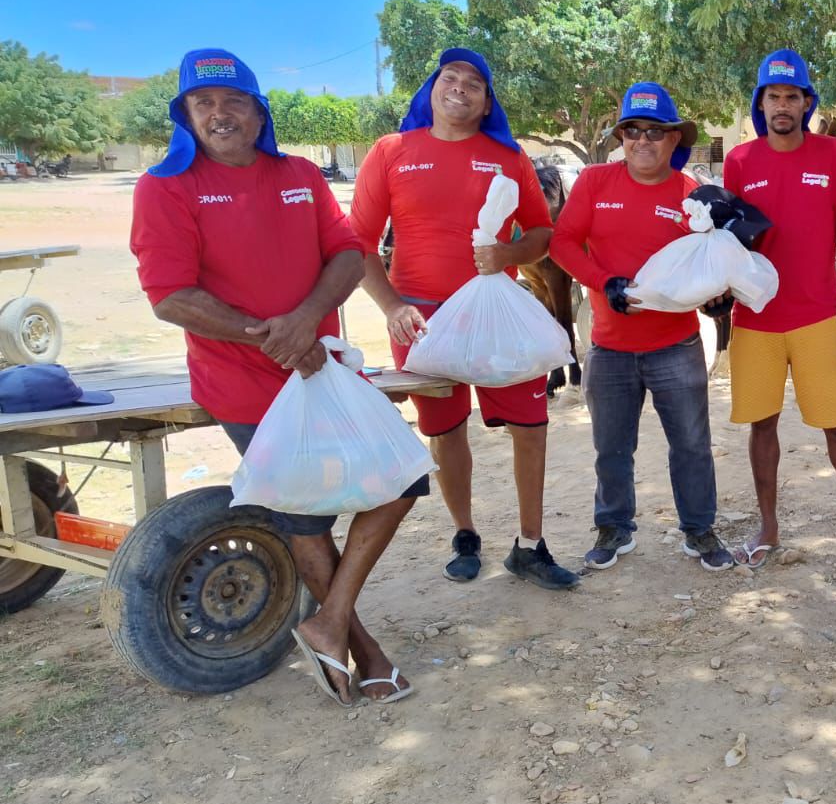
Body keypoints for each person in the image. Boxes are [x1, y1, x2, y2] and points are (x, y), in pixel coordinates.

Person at [131, 48, 425, 706]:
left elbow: (347, 254)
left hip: (321, 369)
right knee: (305, 518)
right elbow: (170, 296)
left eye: (233, 101)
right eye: (203, 103)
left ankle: (328, 621)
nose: (219, 114)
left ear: (258, 111)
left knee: (402, 479)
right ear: (185, 114)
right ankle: (366, 652)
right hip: (241, 380)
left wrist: (306, 321)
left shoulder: (298, 174)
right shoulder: (165, 187)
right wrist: (273, 338)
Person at [349, 49, 577, 591]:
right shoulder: (391, 152)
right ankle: (465, 534)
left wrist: (509, 255)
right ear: (430, 91)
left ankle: (530, 544)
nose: (459, 87)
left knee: (531, 428)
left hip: (499, 317)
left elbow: (542, 233)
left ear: (487, 103)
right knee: (446, 431)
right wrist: (392, 307)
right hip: (422, 321)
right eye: (448, 78)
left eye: (474, 82)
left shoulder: (508, 156)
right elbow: (357, 243)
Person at [549, 82, 735, 572]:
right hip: (609, 348)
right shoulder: (594, 182)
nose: (643, 140)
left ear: (674, 139)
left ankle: (699, 529)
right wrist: (602, 281)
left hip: (676, 346)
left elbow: (709, 266)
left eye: (655, 131)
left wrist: (717, 300)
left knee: (691, 446)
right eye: (632, 130)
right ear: (621, 138)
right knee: (611, 448)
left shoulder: (691, 196)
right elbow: (562, 243)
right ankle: (613, 527)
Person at [720, 50, 836, 568]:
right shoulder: (739, 162)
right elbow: (726, 244)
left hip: (817, 319)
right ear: (761, 103)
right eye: (774, 96)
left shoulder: (834, 156)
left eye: (792, 96)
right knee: (762, 426)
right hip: (756, 321)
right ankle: (768, 527)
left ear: (806, 103)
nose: (783, 105)